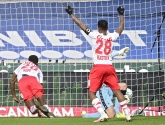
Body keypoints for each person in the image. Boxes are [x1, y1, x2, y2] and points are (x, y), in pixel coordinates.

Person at [65, 5, 131, 122]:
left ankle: (102, 114)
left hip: (98, 67)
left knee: (91, 92)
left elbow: (81, 24)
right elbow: (121, 28)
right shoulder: (111, 36)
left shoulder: (94, 35)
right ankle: (127, 115)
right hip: (109, 67)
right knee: (117, 90)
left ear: (99, 28)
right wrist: (121, 14)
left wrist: (71, 14)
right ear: (107, 27)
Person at [82, 49, 130, 119]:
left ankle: (117, 110)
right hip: (102, 89)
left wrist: (119, 53)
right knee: (111, 115)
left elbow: (109, 55)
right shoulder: (98, 59)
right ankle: (86, 115)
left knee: (123, 86)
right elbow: (109, 55)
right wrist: (118, 52)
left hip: (108, 86)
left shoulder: (106, 56)